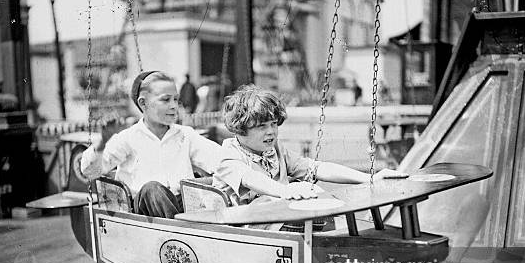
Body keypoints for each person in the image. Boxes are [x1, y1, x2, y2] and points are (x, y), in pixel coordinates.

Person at [213, 84, 405, 206]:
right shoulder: (228, 156)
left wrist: (370, 178)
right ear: (240, 128)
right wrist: (285, 191)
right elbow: (250, 179)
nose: (271, 131)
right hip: (240, 233)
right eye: (262, 126)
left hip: (273, 224)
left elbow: (316, 168)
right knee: (270, 200)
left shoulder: (274, 150)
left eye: (273, 124)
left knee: (319, 195)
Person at [80, 70, 222, 218]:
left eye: (176, 99)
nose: (174, 106)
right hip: (144, 211)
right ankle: (180, 232)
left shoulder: (185, 135)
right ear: (143, 103)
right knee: (152, 189)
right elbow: (89, 172)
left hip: (180, 206)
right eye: (166, 100)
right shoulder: (128, 138)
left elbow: (221, 160)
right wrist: (102, 143)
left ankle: (182, 230)